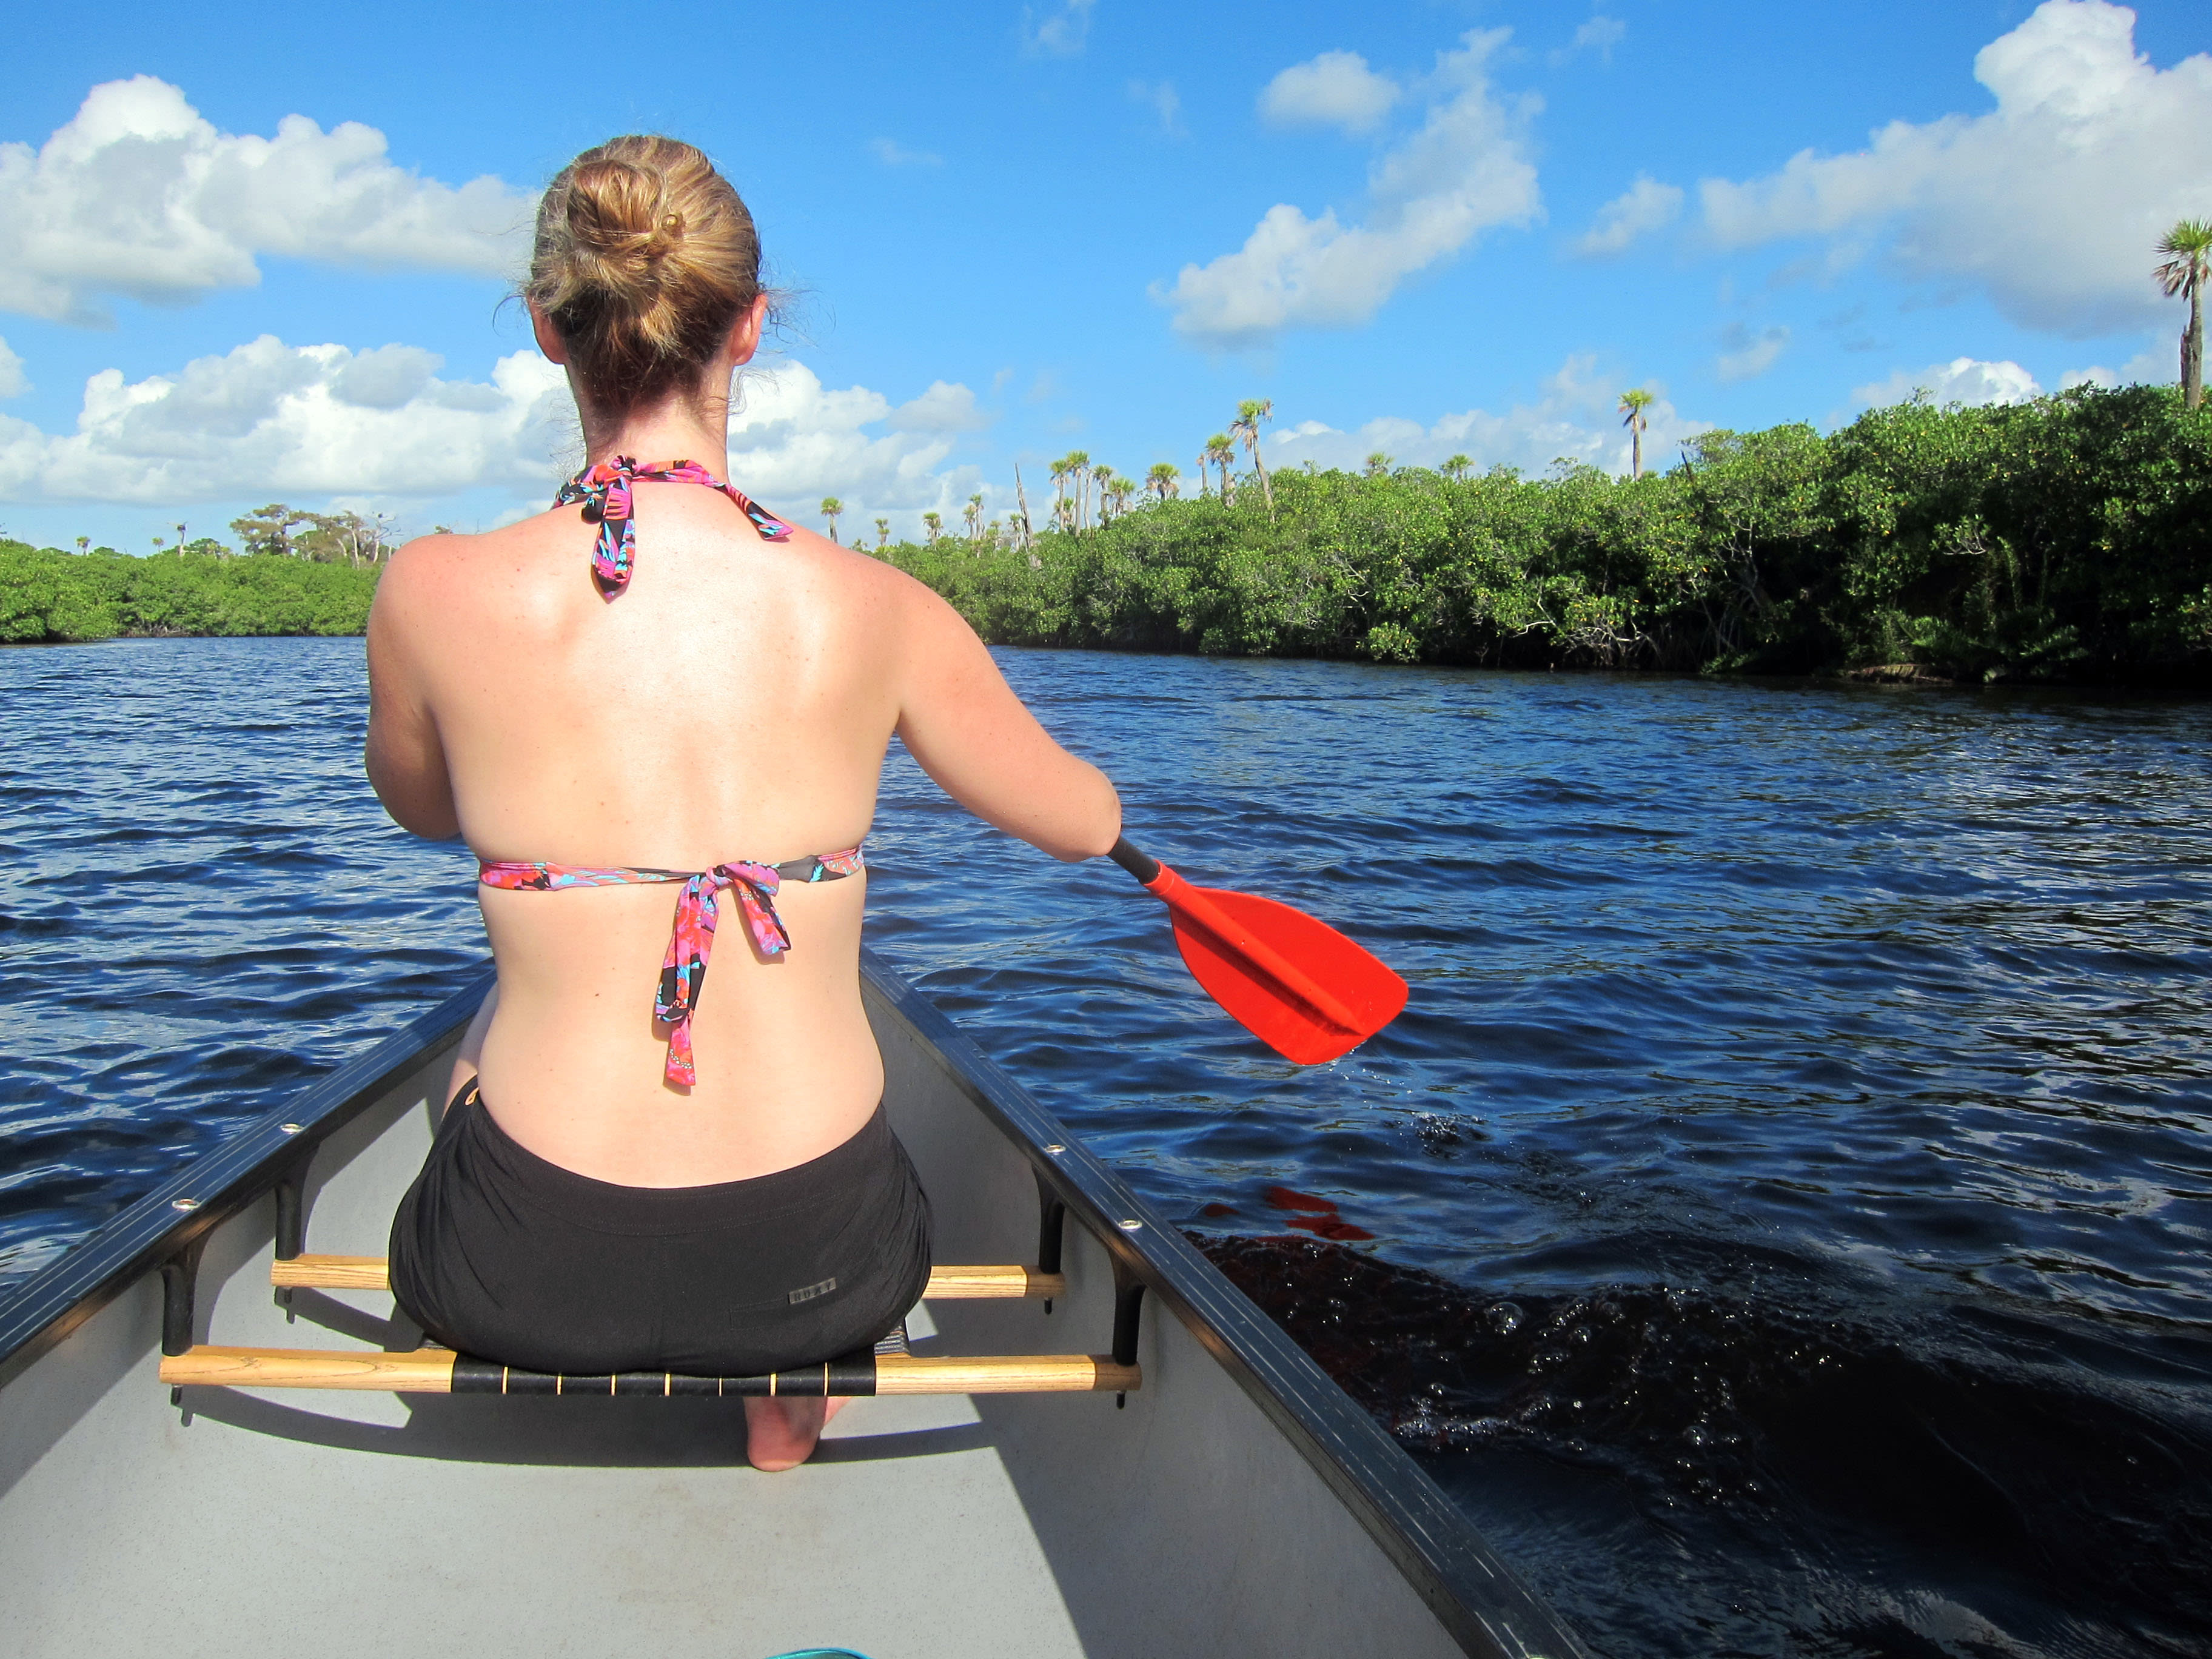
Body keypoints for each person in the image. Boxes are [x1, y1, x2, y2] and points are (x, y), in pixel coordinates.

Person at [364, 136, 1121, 1471]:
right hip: (821, 1267)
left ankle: (571, 1316)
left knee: (491, 1009)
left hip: (519, 1272)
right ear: (753, 327)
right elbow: (1078, 822)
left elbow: (422, 813)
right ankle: (784, 1420)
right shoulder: (879, 605)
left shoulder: (429, 590)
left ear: (548, 326)